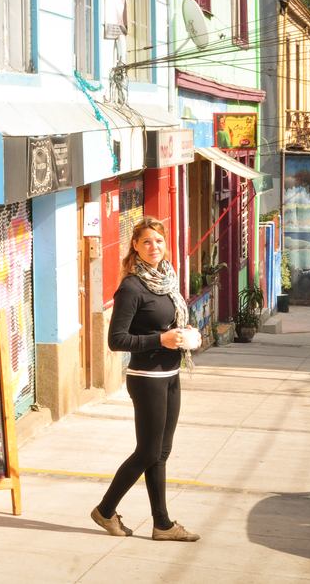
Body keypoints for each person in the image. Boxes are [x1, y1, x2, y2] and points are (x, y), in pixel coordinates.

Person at [90, 216, 200, 542]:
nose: (154, 247)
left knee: (161, 452)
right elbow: (116, 340)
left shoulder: (167, 278)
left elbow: (167, 323)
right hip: (146, 378)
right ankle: (105, 510)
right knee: (148, 452)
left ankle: (162, 524)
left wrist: (184, 334)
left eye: (159, 241)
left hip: (170, 375)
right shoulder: (131, 287)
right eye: (147, 241)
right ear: (135, 246)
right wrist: (160, 340)